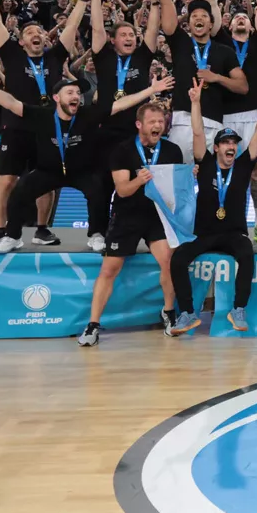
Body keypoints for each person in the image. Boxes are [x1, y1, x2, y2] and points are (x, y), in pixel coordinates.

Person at [0, 74, 172, 257]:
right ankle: (13, 236)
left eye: (78, 93)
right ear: (56, 97)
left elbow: (120, 104)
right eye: (70, 92)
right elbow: (10, 103)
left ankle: (96, 234)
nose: (75, 97)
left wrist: (151, 90)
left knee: (98, 191)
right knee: (20, 190)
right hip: (48, 171)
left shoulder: (88, 113)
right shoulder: (42, 114)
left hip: (82, 172)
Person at [168, 77, 257, 336]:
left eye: (234, 143)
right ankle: (187, 313)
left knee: (247, 254)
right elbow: (197, 132)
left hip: (233, 234)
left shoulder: (242, 166)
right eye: (226, 143)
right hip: (204, 234)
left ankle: (238, 309)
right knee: (178, 259)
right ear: (216, 147)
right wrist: (195, 103)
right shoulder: (204, 164)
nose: (231, 146)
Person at [77, 95, 182, 346]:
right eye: (152, 121)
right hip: (127, 215)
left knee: (168, 261)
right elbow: (122, 190)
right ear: (139, 125)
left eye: (161, 121)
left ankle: (168, 313)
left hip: (157, 215)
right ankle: (92, 325)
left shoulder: (172, 150)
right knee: (109, 269)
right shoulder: (123, 150)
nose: (158, 125)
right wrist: (140, 179)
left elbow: (177, 190)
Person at [0, 0, 87, 246]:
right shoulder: (12, 55)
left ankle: (42, 229)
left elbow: (71, 27)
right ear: (21, 41)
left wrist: (85, 1)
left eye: (39, 32)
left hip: (48, 128)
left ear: (45, 38)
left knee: (45, 181)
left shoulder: (55, 57)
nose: (35, 35)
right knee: (7, 180)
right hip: (16, 126)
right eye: (28, 33)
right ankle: (1, 231)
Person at [89, 0, 161, 251]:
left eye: (132, 34)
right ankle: (96, 231)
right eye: (124, 35)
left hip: (135, 132)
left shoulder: (142, 57)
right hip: (105, 130)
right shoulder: (104, 57)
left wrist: (155, 3)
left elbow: (153, 32)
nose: (129, 37)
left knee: (136, 184)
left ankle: (136, 230)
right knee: (101, 184)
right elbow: (96, 30)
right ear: (114, 40)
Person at [158, 0, 248, 161]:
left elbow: (242, 86)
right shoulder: (180, 42)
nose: (198, 19)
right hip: (182, 121)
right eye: (194, 16)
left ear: (211, 22)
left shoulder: (224, 51)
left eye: (204, 16)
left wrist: (216, 77)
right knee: (179, 179)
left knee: (210, 183)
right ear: (188, 23)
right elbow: (166, 3)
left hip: (213, 124)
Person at [216, 0, 257, 242]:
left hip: (253, 114)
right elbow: (212, 10)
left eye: (245, 18)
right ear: (229, 23)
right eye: (237, 17)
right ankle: (229, 221)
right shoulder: (222, 42)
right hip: (225, 115)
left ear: (251, 27)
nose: (241, 19)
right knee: (224, 172)